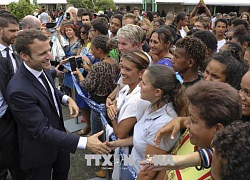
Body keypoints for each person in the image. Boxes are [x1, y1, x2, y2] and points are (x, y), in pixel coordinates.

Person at [6, 29, 111, 180]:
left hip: (60, 145)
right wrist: (85, 142)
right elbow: (41, 130)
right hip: (39, 153)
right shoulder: (18, 90)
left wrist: (67, 99)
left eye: (49, 50)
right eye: (42, 54)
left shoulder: (41, 68)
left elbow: (49, 90)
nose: (50, 57)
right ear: (24, 56)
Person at [141, 81, 241, 180]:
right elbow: (168, 168)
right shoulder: (192, 137)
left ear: (218, 129)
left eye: (193, 120)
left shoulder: (220, 171)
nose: (187, 124)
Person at [0, 12, 26, 180]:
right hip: (2, 115)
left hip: (16, 114)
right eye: (11, 31)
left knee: (16, 154)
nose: (16, 34)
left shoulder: (15, 52)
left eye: (17, 30)